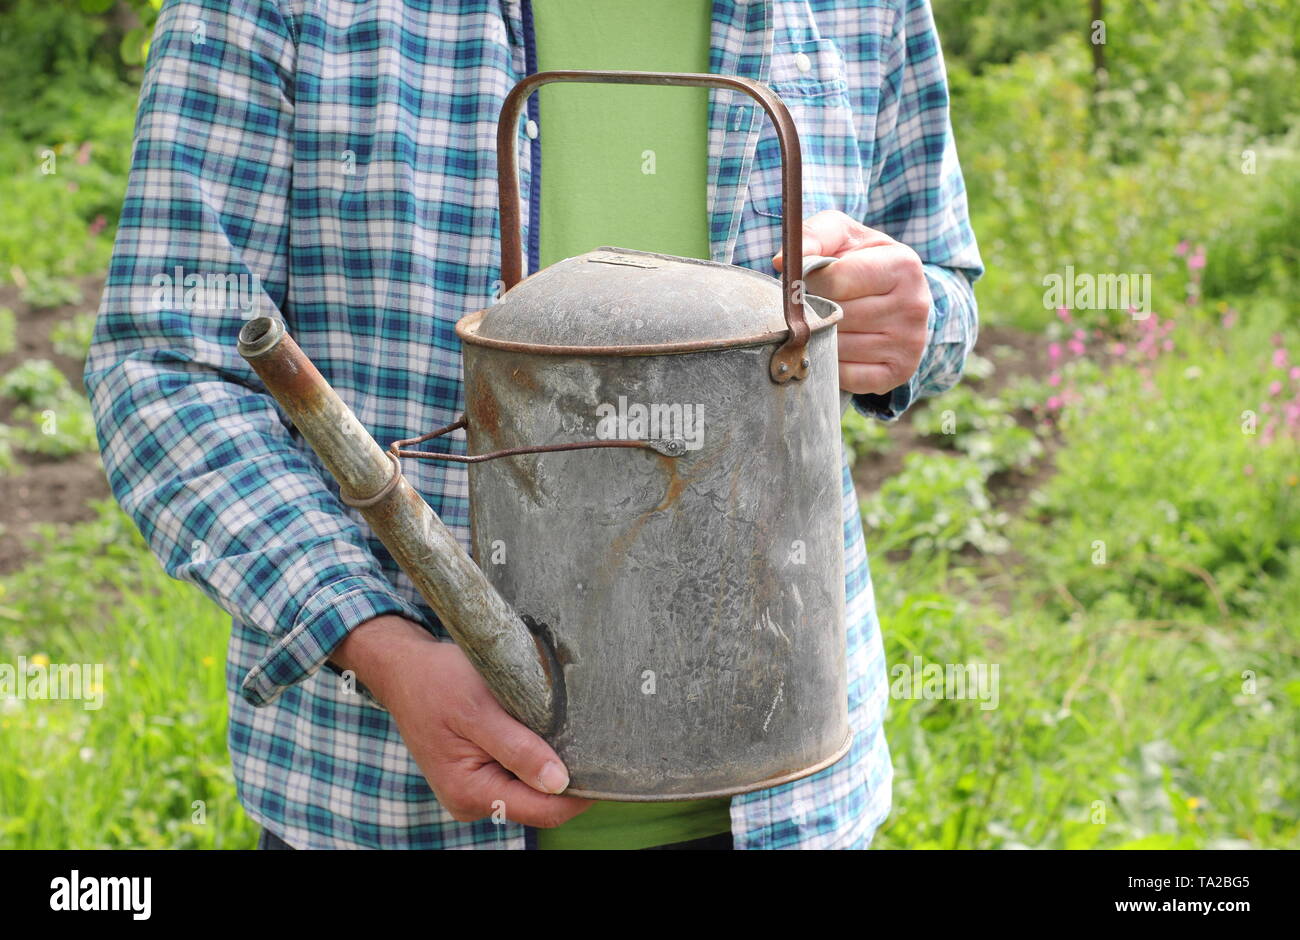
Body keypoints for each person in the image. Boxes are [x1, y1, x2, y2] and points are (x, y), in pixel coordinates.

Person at [85, 0, 981, 850]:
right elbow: (165, 364)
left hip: (789, 796)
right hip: (384, 798)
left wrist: (916, 317)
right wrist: (379, 645)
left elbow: (937, 286)